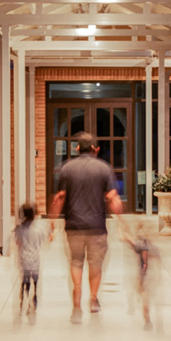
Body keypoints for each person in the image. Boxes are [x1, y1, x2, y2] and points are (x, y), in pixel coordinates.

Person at [48, 132, 123, 322]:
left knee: (76, 262)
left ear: (77, 148)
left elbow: (60, 197)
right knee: (95, 264)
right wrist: (122, 221)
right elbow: (112, 197)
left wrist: (52, 223)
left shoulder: (67, 168)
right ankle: (93, 299)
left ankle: (76, 299)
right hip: (97, 226)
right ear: (96, 149)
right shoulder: (104, 168)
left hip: (73, 226)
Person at [12, 202, 52, 319]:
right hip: (35, 259)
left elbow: (18, 242)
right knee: (35, 279)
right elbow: (46, 238)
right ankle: (34, 297)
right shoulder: (38, 229)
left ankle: (23, 298)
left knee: (25, 280)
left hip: (24, 259)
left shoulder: (19, 229)